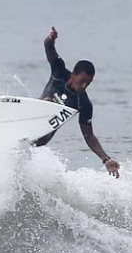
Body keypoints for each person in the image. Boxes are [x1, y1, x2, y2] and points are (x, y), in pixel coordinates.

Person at [35, 26, 120, 178]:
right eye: (82, 81)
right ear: (73, 75)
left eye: (89, 82)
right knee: (48, 101)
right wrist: (51, 39)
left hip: (43, 136)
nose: (84, 86)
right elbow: (48, 47)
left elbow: (89, 136)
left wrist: (105, 159)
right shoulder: (59, 71)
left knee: (51, 114)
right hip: (34, 114)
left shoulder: (84, 104)